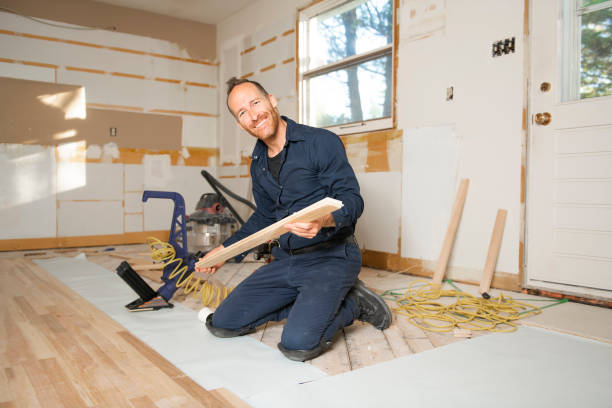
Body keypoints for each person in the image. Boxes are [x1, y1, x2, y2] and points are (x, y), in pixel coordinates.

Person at [196, 77, 391, 361]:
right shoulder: (259, 164)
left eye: (255, 103)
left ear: (272, 101)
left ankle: (353, 304)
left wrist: (323, 220)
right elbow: (263, 216)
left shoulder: (320, 142)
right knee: (223, 323)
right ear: (240, 124)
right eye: (242, 113)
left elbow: (353, 200)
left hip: (331, 258)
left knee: (297, 345)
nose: (253, 115)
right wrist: (224, 252)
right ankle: (309, 304)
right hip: (286, 260)